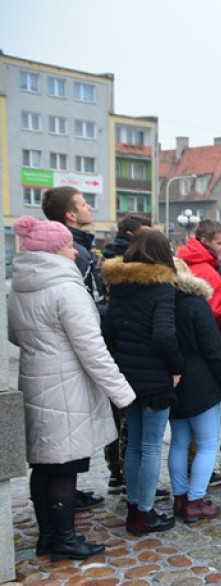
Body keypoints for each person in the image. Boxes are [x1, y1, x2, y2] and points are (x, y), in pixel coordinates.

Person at [9, 216, 135, 560]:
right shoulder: (66, 289)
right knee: (65, 464)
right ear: (53, 250)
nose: (74, 251)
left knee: (44, 464)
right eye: (68, 245)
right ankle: (65, 539)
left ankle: (48, 536)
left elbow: (13, 336)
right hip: (68, 386)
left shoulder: (20, 286)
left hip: (35, 379)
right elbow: (93, 350)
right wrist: (122, 393)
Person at [102, 230, 184, 536]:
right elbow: (164, 334)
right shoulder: (161, 287)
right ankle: (144, 514)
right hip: (154, 378)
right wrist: (177, 367)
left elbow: (109, 330)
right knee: (149, 446)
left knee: (134, 443)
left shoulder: (120, 286)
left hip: (127, 377)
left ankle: (134, 508)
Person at [41, 186, 107, 510]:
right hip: (69, 361)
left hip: (62, 361)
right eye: (83, 204)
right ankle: (61, 513)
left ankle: (69, 496)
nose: (89, 209)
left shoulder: (78, 248)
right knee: (69, 435)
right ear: (70, 215)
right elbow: (83, 309)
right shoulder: (74, 253)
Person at [167, 260, 221, 523]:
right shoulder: (196, 304)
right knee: (207, 444)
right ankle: (195, 501)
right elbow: (214, 349)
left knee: (178, 442)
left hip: (174, 381)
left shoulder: (163, 304)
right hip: (201, 383)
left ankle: (180, 498)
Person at [101, 213, 152, 497]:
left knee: (114, 416)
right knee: (130, 420)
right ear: (134, 234)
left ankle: (115, 473)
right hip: (128, 348)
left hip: (113, 345)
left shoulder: (108, 259)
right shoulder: (133, 265)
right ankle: (128, 477)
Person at [177, 219, 221, 324]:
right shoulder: (209, 274)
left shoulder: (181, 262)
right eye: (220, 243)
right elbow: (213, 314)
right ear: (205, 241)